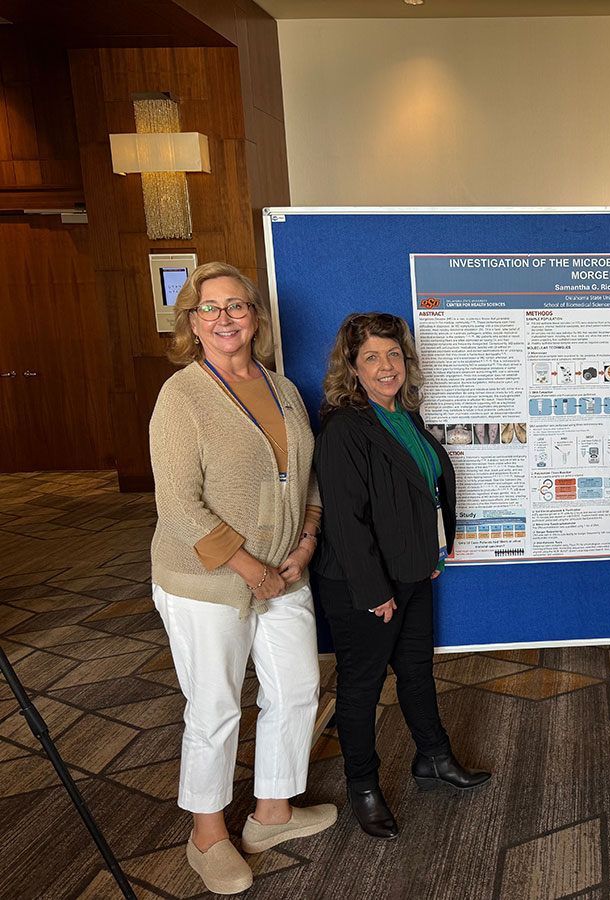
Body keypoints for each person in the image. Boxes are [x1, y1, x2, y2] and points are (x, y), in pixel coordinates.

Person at [148, 262, 335, 894]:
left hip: (286, 571)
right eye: (211, 309)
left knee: (298, 688)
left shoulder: (281, 388)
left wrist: (305, 543)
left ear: (255, 316)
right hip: (206, 583)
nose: (225, 318)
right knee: (216, 705)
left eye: (237, 306)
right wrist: (249, 567)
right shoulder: (182, 396)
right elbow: (178, 505)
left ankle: (271, 815)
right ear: (191, 324)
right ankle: (208, 837)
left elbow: (305, 476)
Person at [312, 312, 490, 840]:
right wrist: (374, 592)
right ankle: (362, 786)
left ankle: (433, 759)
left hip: (413, 573)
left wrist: (433, 552)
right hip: (364, 586)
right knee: (362, 688)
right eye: (371, 357)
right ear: (352, 367)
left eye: (393, 354)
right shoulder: (346, 426)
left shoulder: (404, 414)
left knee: (416, 673)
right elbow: (346, 520)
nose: (385, 366)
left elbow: (420, 495)